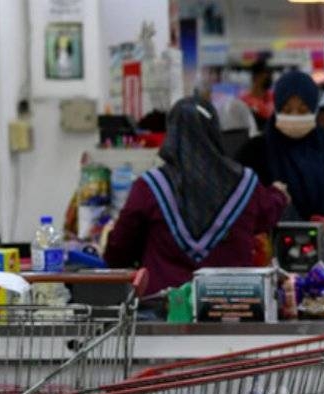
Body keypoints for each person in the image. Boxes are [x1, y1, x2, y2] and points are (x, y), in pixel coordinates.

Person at [104, 98, 288, 296]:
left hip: (163, 309)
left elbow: (119, 251)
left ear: (171, 134)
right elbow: (266, 214)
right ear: (215, 132)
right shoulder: (246, 184)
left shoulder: (149, 187)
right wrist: (279, 195)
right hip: (233, 307)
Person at [237, 70, 324, 226]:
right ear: (276, 109)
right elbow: (238, 198)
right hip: (273, 243)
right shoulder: (255, 150)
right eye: (287, 110)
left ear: (315, 109)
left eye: (303, 110)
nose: (294, 115)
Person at [240, 58, 274, 127]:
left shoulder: (273, 96)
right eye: (266, 74)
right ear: (256, 77)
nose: (270, 77)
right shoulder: (244, 101)